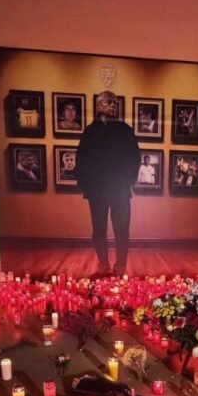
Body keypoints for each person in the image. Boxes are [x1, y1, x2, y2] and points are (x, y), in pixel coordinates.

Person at [76, 90, 140, 277]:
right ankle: (103, 264)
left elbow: (134, 157)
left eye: (114, 103)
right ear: (98, 106)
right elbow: (82, 159)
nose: (112, 106)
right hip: (97, 190)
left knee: (122, 229)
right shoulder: (90, 132)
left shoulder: (125, 130)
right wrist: (87, 185)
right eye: (108, 103)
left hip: (120, 189)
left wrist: (128, 180)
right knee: (99, 229)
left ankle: (121, 265)